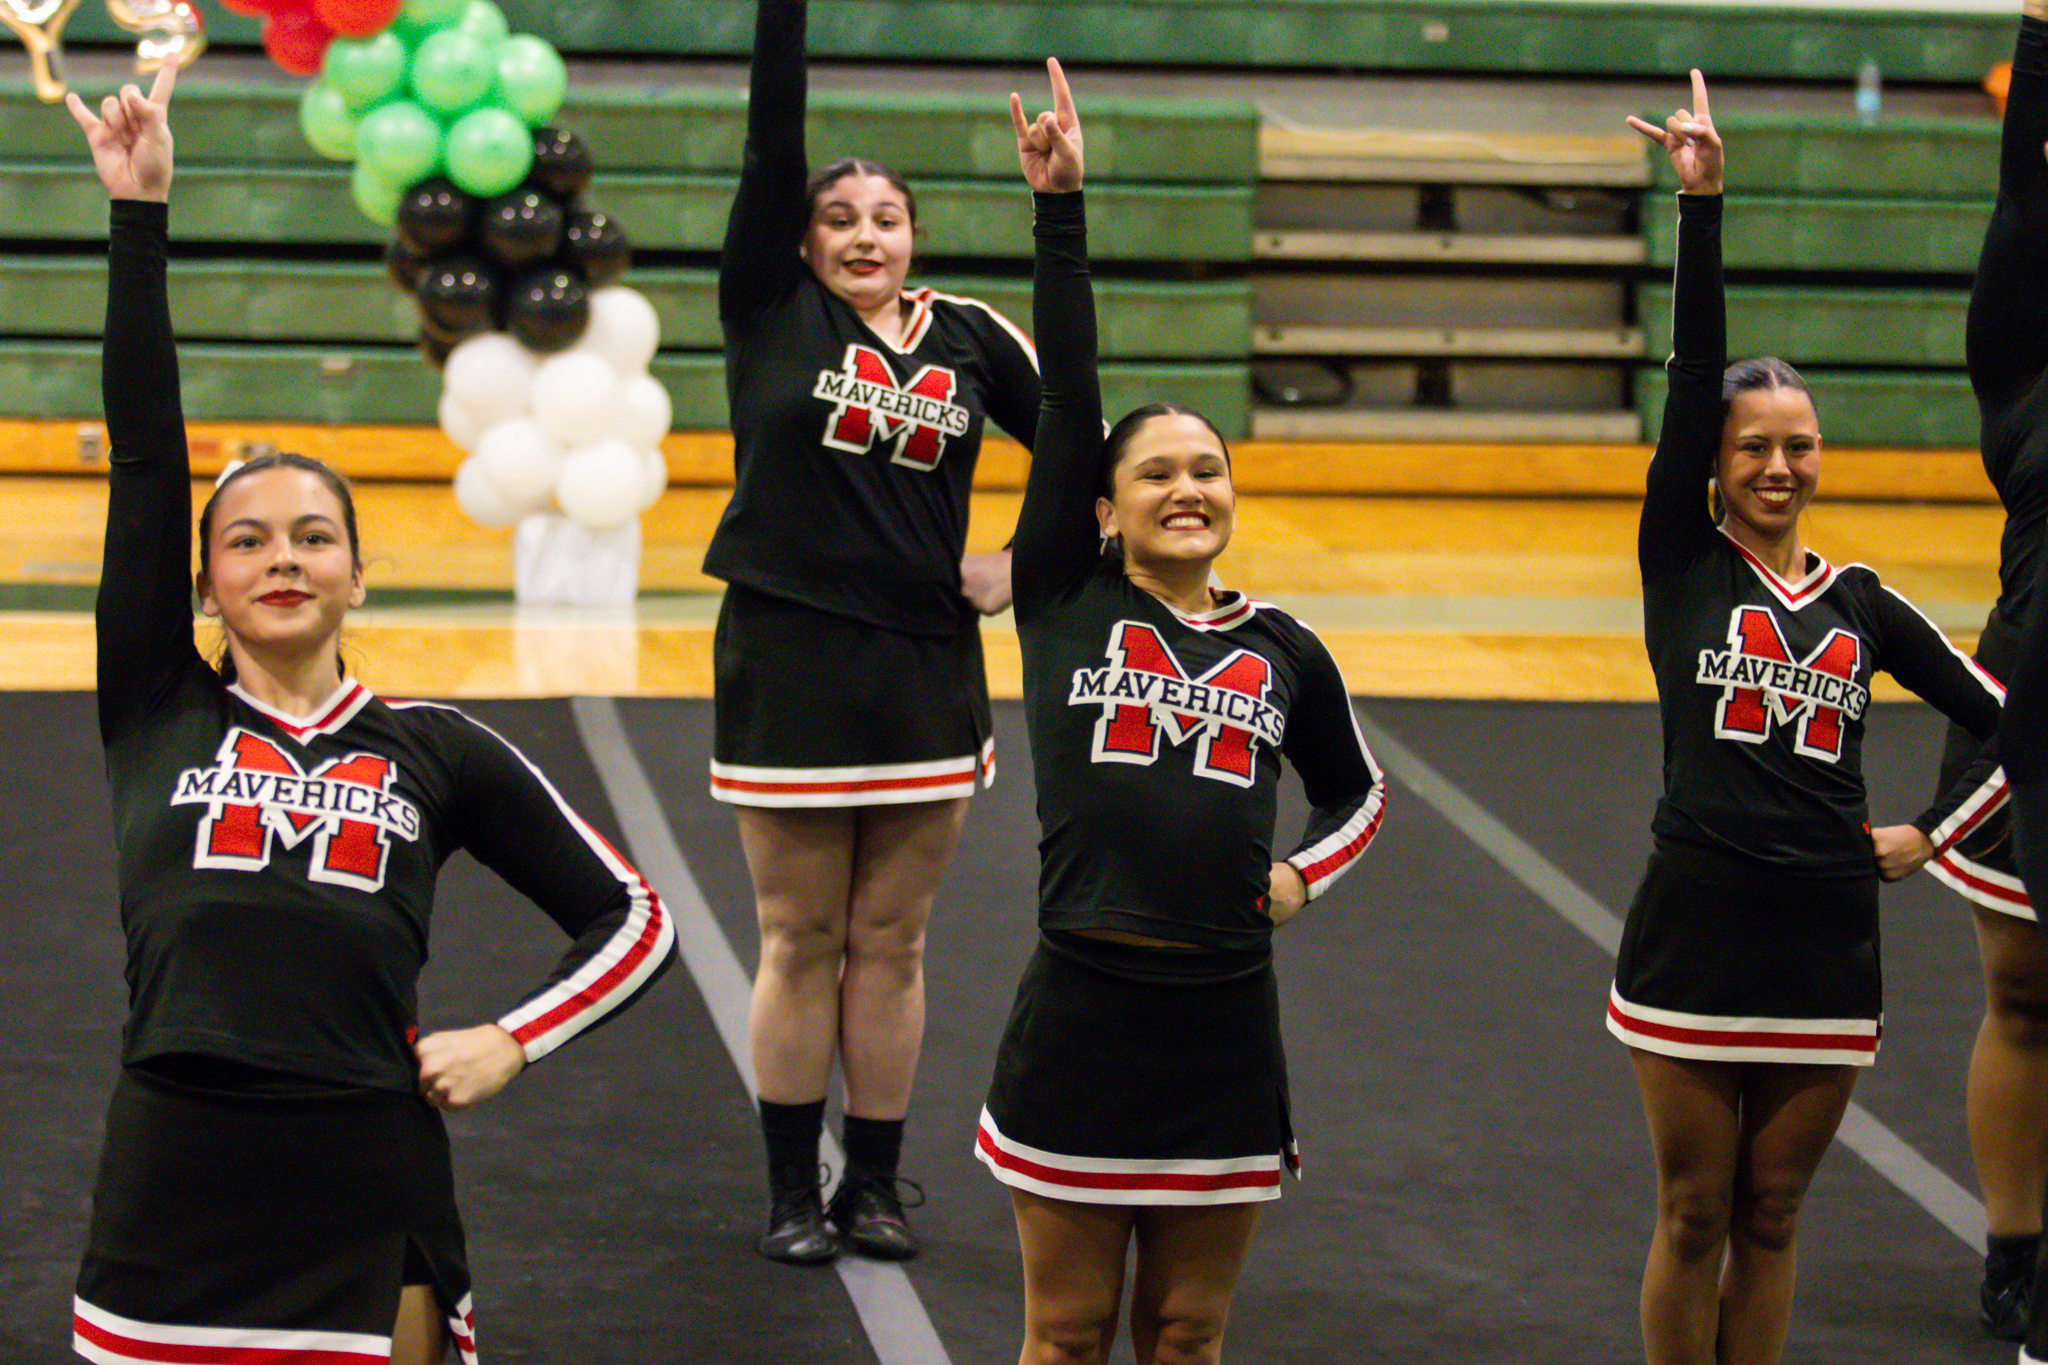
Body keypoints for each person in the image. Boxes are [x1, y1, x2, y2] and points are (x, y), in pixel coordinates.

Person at [67, 66, 675, 1365]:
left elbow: (634, 915)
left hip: (366, 1180)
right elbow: (141, 449)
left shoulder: (437, 748)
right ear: (205, 580)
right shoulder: (156, 702)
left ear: (357, 569)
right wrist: (139, 216)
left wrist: (514, 1039)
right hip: (172, 1177)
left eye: (311, 537)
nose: (280, 559)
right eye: (245, 541)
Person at [979, 62, 1386, 1365]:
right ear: (1102, 503)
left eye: (1207, 468)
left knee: (1188, 1332)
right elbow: (1067, 400)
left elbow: (1359, 792)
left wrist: (1302, 878)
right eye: (1155, 471)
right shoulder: (1063, 593)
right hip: (1084, 1018)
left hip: (1225, 1030)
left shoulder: (1282, 646)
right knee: (1067, 1328)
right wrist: (1063, 210)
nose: (1187, 488)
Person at [1612, 72, 2008, 1365]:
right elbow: (1685, 378)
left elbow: (2011, 723)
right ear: (1715, 465)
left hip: (1827, 951)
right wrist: (1704, 209)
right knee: (1691, 1212)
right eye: (1752, 446)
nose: (1778, 465)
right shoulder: (1685, 562)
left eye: (1800, 444)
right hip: (1697, 939)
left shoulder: (1867, 601)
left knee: (1774, 1216)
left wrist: (1937, 835)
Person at [706, 0, 1043, 1264]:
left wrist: (1018, 557)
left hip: (921, 668)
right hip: (787, 657)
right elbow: (768, 143)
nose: (862, 236)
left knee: (891, 942)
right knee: (798, 936)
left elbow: (1084, 443)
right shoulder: (766, 308)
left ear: (914, 236)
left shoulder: (964, 337)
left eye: (885, 218)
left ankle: (880, 1185)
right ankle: (795, 1188)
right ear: (798, 239)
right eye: (837, 219)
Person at [1936, 1, 2048, 1339]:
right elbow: (2025, 191)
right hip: (2026, 698)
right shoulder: (2023, 365)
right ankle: (2016, 1242)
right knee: (2022, 989)